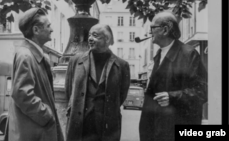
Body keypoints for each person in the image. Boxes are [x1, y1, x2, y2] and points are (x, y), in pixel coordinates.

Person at [139, 11, 208, 141]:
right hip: (157, 131)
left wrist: (172, 96)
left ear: (165, 30)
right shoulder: (159, 55)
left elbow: (203, 91)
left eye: (153, 28)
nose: (149, 32)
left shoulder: (189, 54)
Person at [65, 24, 130, 141]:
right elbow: (69, 90)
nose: (90, 38)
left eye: (95, 36)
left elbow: (121, 95)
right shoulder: (75, 60)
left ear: (107, 39)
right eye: (89, 35)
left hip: (107, 125)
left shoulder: (122, 65)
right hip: (80, 123)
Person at [6, 8, 63, 141]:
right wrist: (46, 115)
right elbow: (22, 94)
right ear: (36, 30)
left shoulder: (32, 55)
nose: (52, 30)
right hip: (33, 134)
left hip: (35, 132)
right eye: (48, 26)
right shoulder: (26, 56)